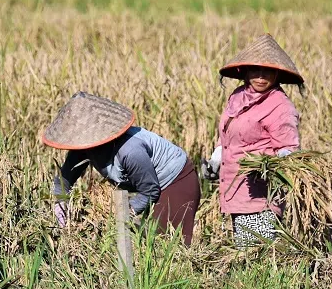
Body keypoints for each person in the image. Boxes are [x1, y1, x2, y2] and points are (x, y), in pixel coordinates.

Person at [43, 92, 201, 246]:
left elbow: (150, 191)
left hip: (176, 180)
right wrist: (60, 201)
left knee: (168, 243)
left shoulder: (130, 151)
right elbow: (66, 177)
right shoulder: (83, 146)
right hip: (150, 184)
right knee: (145, 241)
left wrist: (123, 214)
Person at [203, 34, 302, 247]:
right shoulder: (237, 96)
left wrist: (272, 164)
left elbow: (288, 149)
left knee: (257, 254)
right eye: (255, 69)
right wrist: (217, 157)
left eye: (268, 70)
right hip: (233, 188)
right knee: (245, 252)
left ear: (277, 74)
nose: (261, 76)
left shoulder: (280, 106)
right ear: (245, 71)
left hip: (260, 196)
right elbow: (228, 136)